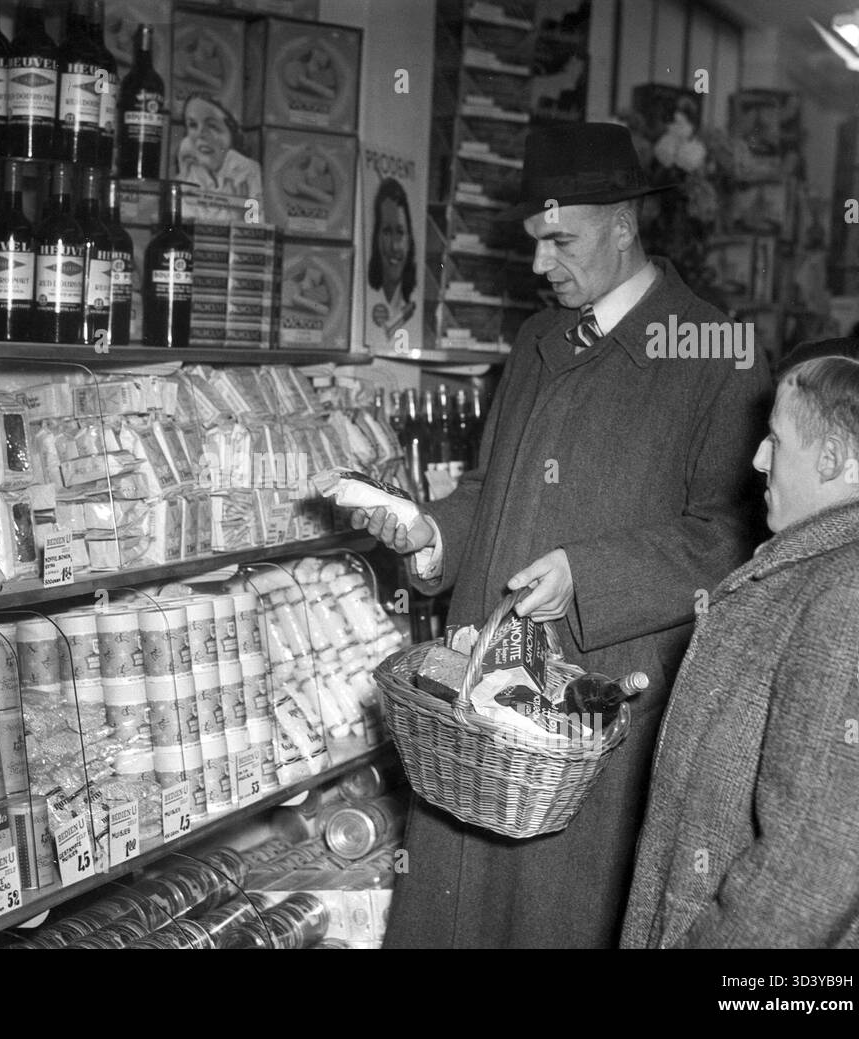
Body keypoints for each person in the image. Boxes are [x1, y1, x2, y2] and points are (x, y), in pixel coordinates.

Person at [360, 121, 771, 949]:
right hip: (473, 714)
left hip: (590, 716)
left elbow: (730, 536)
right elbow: (488, 486)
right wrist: (431, 537)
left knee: (549, 918)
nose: (542, 264)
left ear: (625, 222)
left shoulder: (714, 348)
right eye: (534, 243)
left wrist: (589, 574)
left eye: (560, 240)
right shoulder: (537, 339)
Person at [622, 348, 859, 948]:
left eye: (775, 441)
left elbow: (815, 867)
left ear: (830, 460)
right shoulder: (823, 566)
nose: (757, 459)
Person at [175, 95, 263, 207]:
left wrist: (250, 186)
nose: (200, 133)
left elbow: (254, 221)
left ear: (231, 133)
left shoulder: (248, 171)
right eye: (193, 125)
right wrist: (183, 177)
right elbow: (175, 220)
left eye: (212, 126)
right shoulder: (188, 171)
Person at [366, 178, 417, 343]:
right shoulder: (368, 296)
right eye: (387, 232)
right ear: (376, 238)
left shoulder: (410, 303)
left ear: (409, 240)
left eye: (400, 232)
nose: (395, 246)